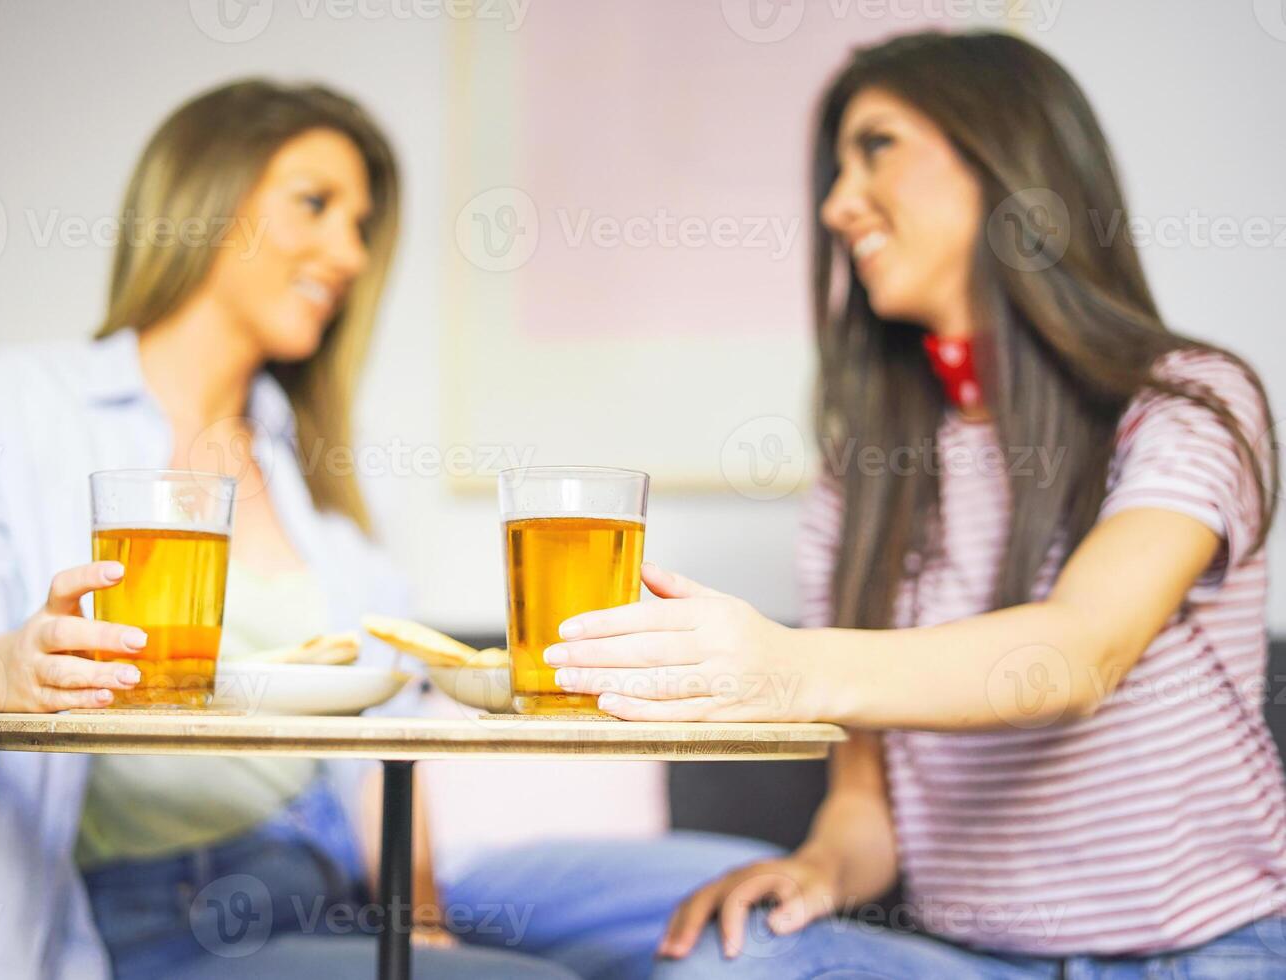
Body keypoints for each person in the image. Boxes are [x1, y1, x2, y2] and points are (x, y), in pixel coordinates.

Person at [543, 31, 1286, 976]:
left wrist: (784, 668)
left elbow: (1076, 653)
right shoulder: (866, 473)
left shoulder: (1185, 401)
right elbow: (867, 809)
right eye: (835, 167)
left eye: (876, 147)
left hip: (1204, 951)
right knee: (729, 958)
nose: (836, 204)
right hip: (977, 959)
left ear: (1003, 155)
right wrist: (815, 866)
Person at [0, 78, 578, 980]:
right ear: (207, 197)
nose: (350, 254)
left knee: (717, 928)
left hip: (333, 881)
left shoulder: (311, 465)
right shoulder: (11, 405)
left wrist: (421, 924)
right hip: (170, 910)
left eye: (361, 226)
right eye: (315, 204)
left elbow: (381, 736)